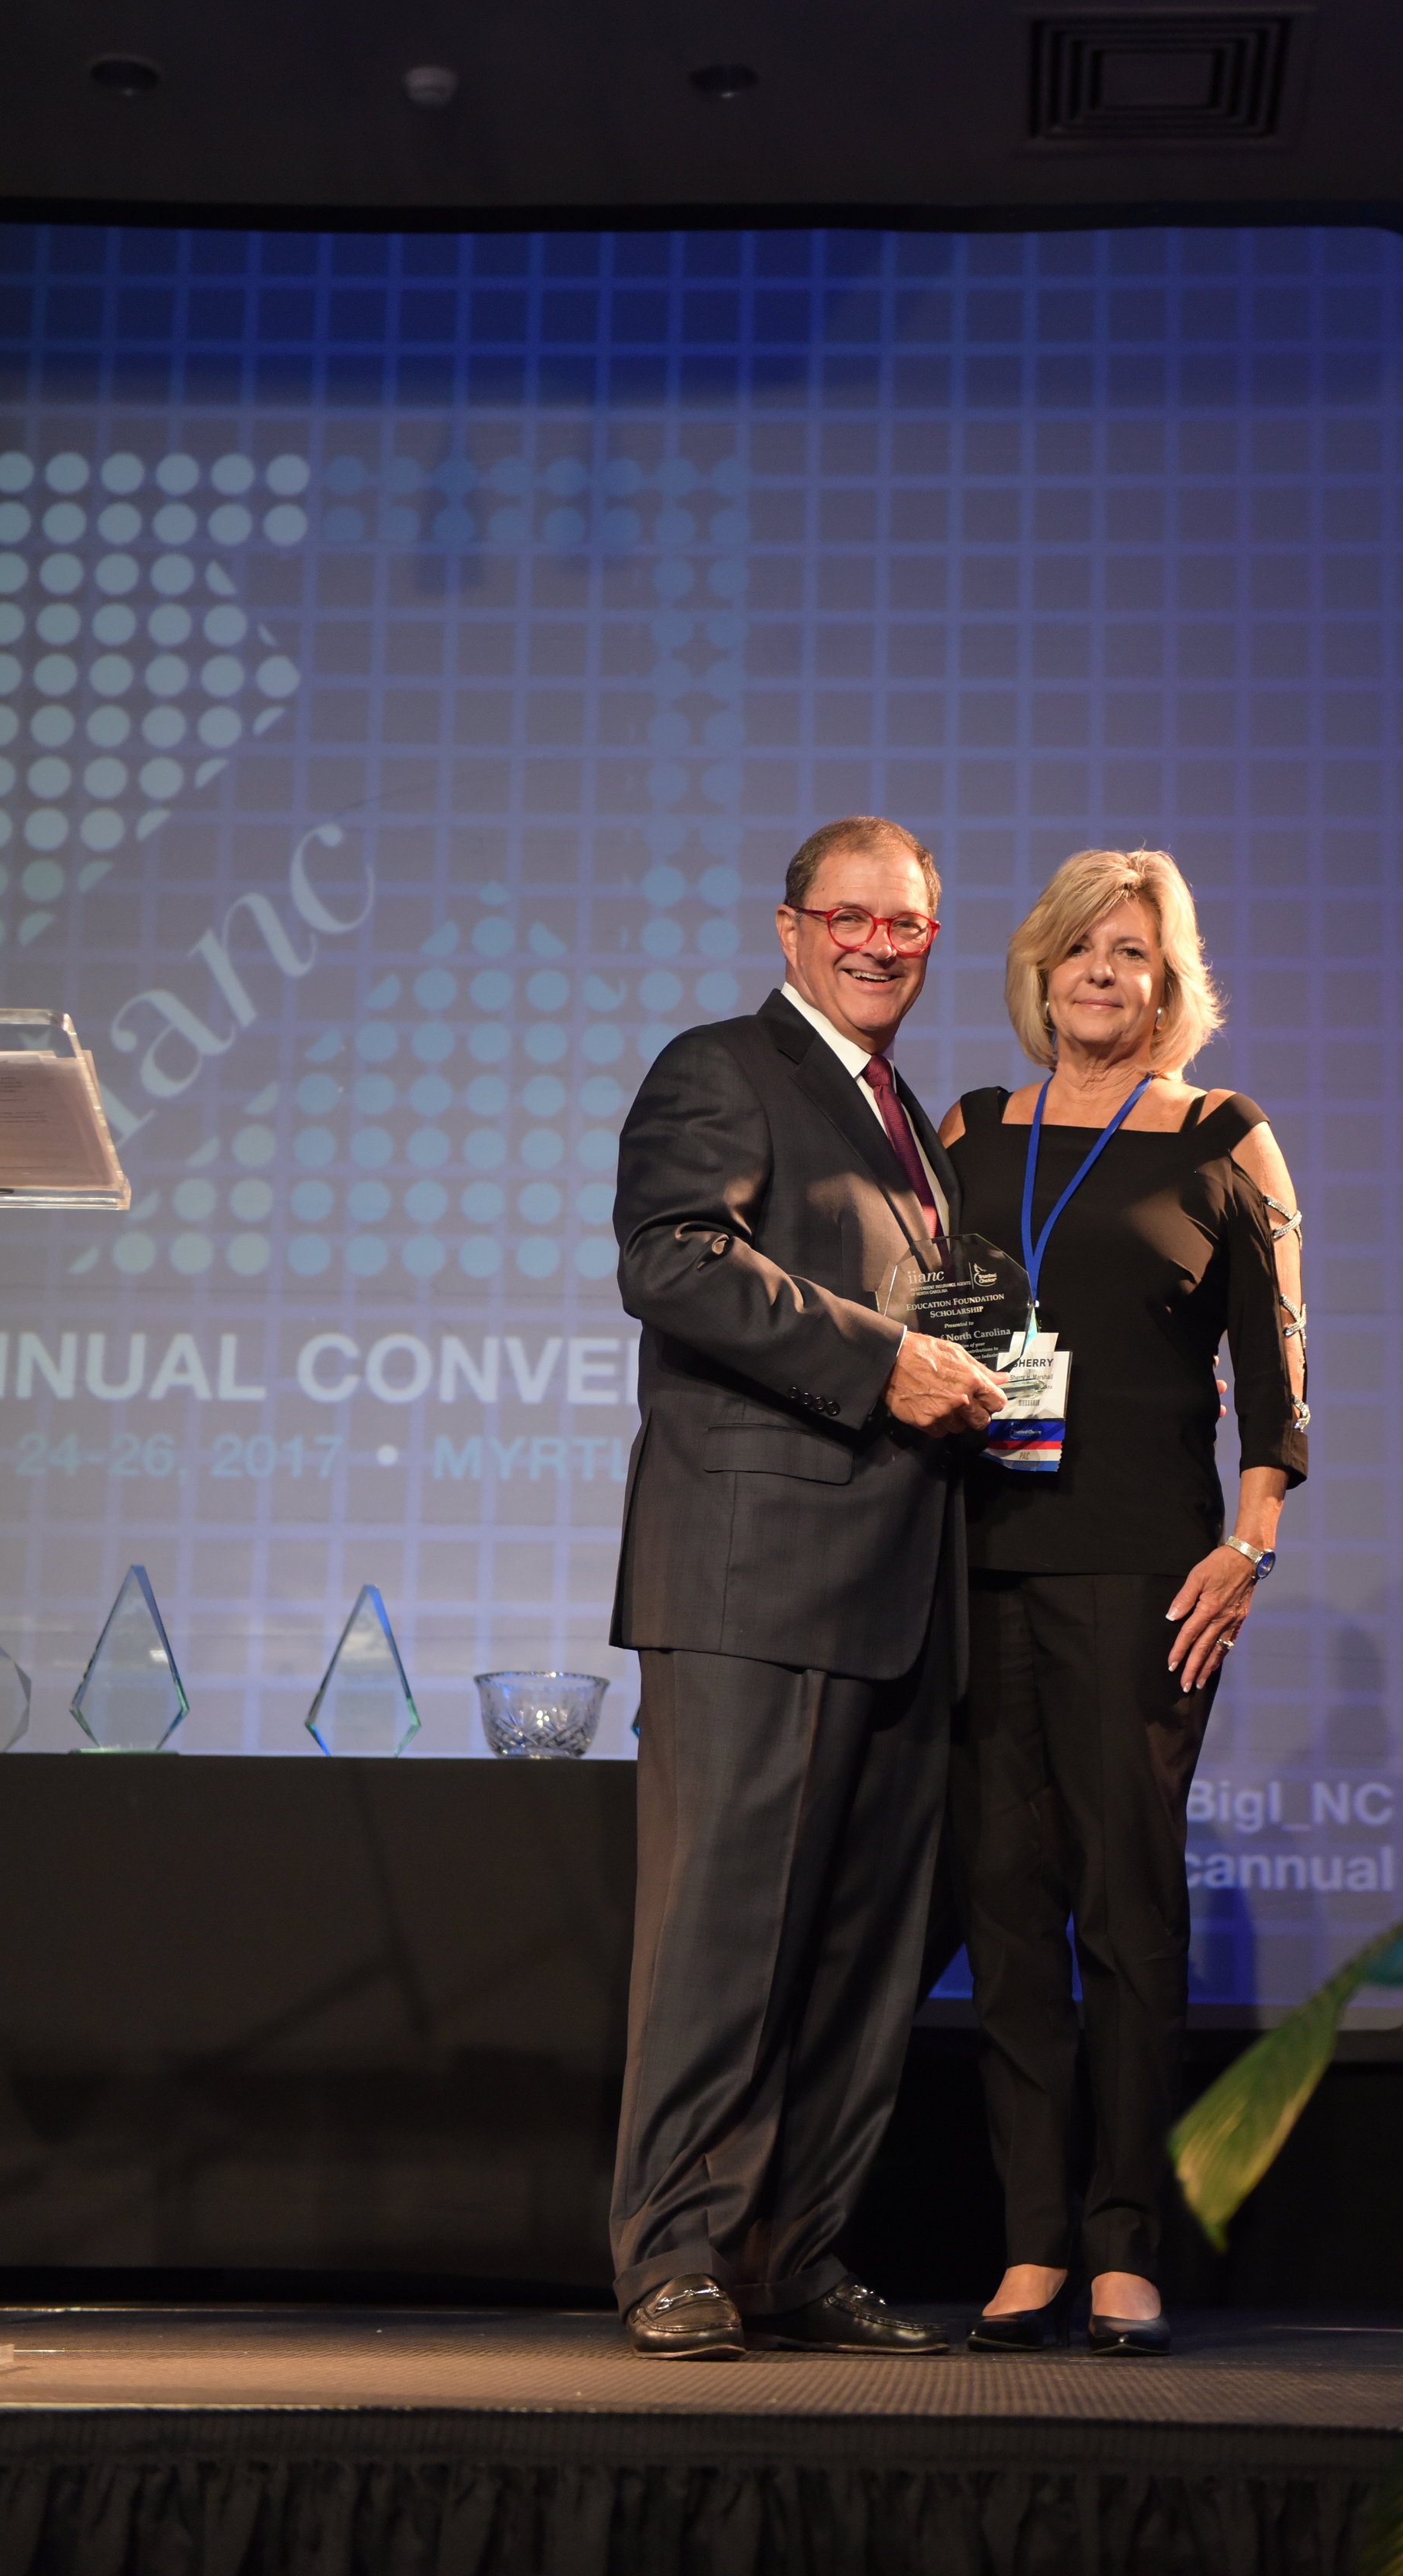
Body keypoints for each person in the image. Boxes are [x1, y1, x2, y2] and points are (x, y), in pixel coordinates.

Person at [607, 814, 1006, 2359]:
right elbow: (672, 1261)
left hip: (903, 1586)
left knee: (858, 1953)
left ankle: (794, 2248)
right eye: (847, 919)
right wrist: (880, 1359)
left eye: (902, 925)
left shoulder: (907, 1117)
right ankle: (674, 2255)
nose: (875, 945)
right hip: (752, 1580)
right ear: (788, 930)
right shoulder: (722, 1067)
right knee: (724, 1940)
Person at [939, 847, 1308, 2356]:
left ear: (1171, 985)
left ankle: (1121, 2240)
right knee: (1004, 1912)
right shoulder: (964, 1130)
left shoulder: (1221, 1135)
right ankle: (1028, 2244)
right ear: (1038, 969)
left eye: (1135, 955)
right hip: (971, 1562)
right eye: (1082, 949)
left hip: (1144, 1569)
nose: (1104, 973)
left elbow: (1277, 1367)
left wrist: (1252, 1537)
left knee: (1125, 1905)